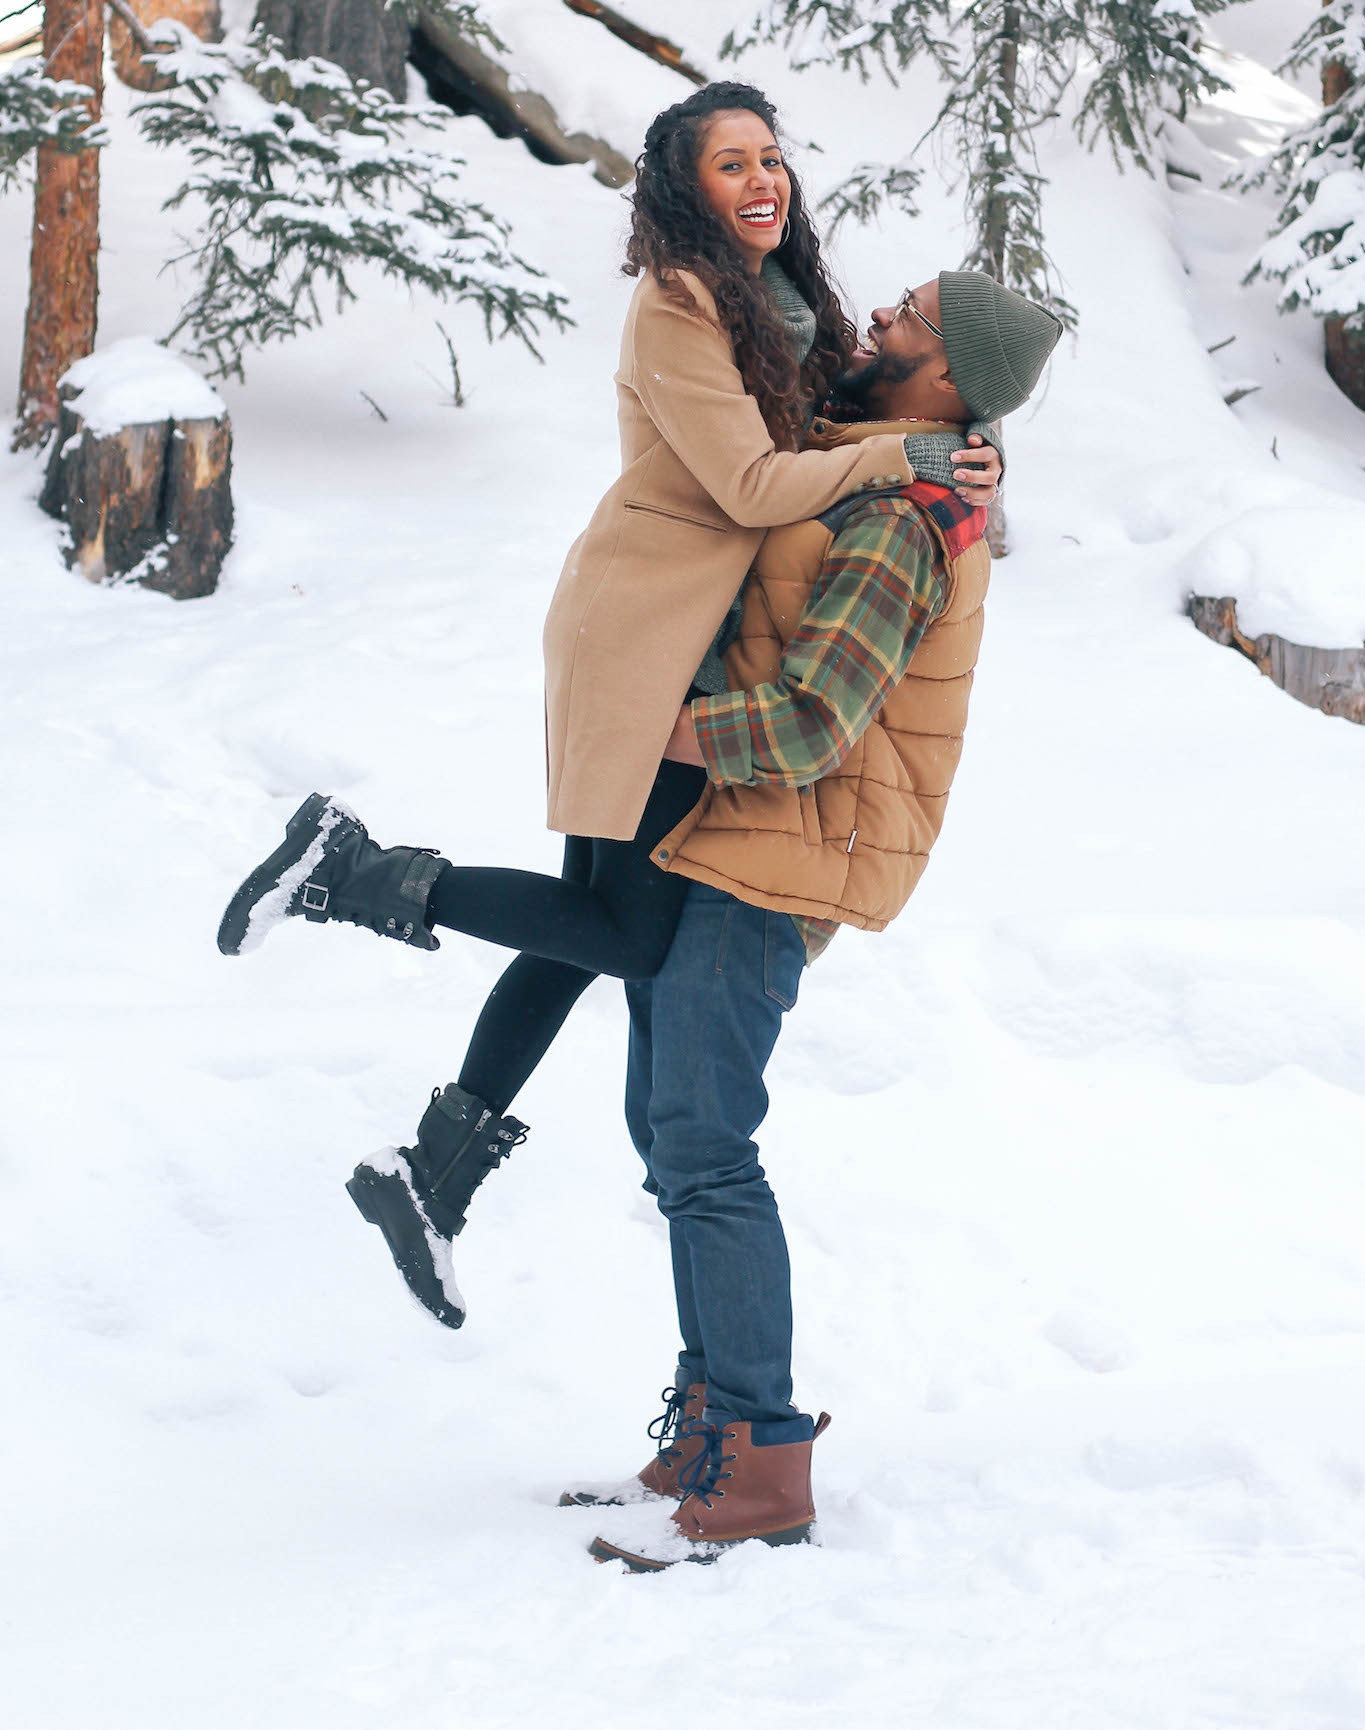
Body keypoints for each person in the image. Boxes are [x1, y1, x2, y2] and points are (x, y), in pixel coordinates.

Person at [216, 83, 1002, 1325]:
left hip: (683, 634)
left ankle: (431, 1175)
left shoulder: (788, 308)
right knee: (627, 936)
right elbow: (753, 483)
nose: (761, 181)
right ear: (683, 190)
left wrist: (964, 446)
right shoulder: (683, 302)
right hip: (650, 636)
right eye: (729, 163)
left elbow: (892, 414)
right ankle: (351, 870)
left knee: (586, 923)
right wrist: (906, 454)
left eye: (772, 158)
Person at [566, 267, 1062, 1569]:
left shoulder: (906, 510)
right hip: (741, 826)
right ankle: (711, 1422)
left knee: (705, 1137)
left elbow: (810, 718)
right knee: (666, 1125)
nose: (875, 320)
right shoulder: (861, 451)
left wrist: (653, 727)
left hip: (792, 838)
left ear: (948, 373)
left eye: (905, 316)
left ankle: (763, 1459)